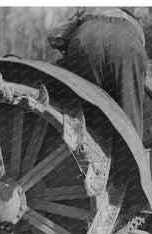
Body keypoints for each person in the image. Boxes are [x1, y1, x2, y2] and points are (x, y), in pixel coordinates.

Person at [49, 7, 146, 138]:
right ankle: (133, 154)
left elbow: (55, 37)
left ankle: (76, 146)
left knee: (79, 106)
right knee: (130, 110)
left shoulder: (88, 9)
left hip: (88, 36)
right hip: (127, 42)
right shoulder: (134, 21)